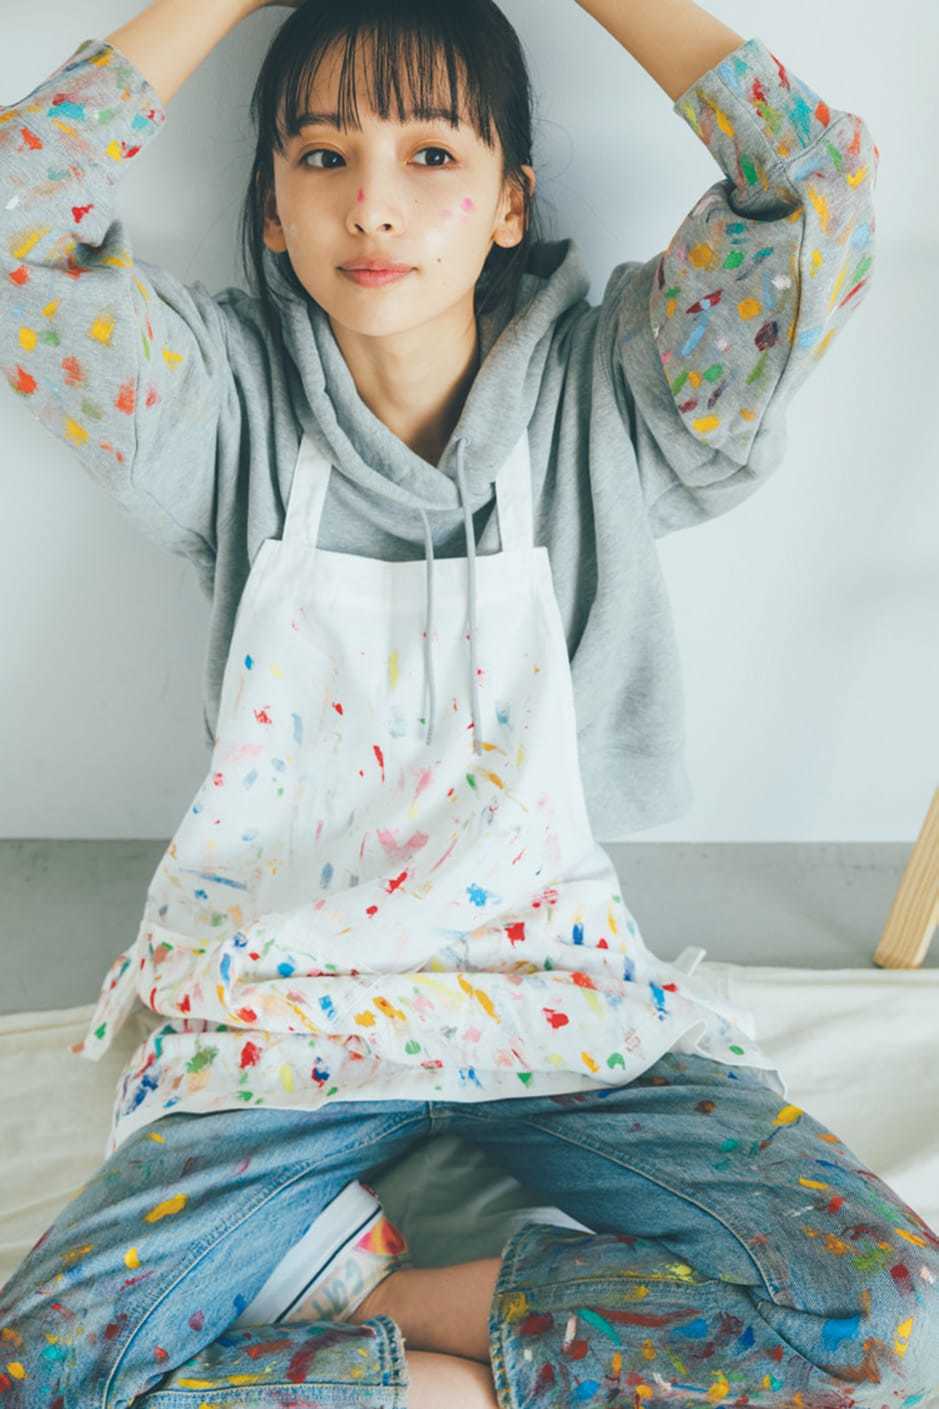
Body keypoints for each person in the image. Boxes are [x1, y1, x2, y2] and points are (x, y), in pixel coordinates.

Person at [3, 1, 936, 1406]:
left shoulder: (620, 391)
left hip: (560, 1005)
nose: (373, 204)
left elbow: (819, 191)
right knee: (37, 1374)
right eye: (323, 156)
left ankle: (390, 1304)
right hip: (276, 1028)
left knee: (898, 1322)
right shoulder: (212, 405)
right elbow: (17, 212)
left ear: (512, 203)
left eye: (432, 154)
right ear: (271, 207)